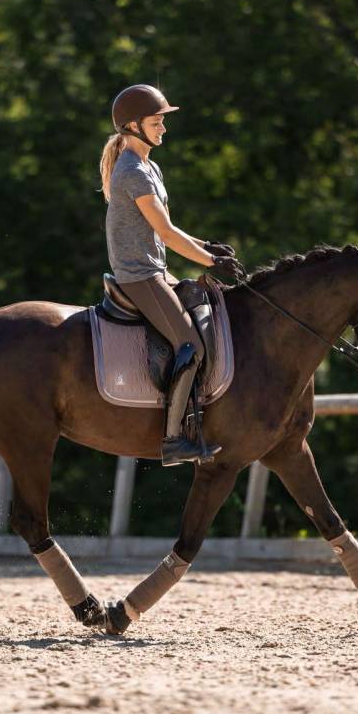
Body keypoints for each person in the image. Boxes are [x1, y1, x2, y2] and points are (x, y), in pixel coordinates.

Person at [100, 84, 246, 466]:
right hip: (140, 277)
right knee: (190, 346)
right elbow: (165, 234)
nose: (163, 128)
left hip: (156, 271)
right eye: (156, 122)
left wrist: (208, 247)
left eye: (162, 121)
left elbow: (167, 228)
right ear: (133, 126)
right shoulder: (132, 172)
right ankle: (173, 440)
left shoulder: (150, 167)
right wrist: (209, 262)